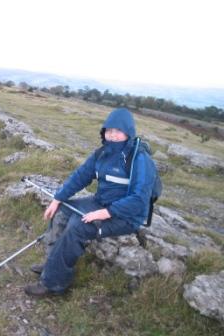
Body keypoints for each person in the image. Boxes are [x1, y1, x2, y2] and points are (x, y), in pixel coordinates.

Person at [24, 107, 157, 297]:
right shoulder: (102, 153)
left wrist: (106, 213)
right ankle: (52, 264)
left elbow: (139, 199)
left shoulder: (140, 159)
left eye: (118, 131)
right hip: (100, 201)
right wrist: (58, 198)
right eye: (109, 130)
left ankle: (53, 284)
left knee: (76, 227)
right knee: (62, 211)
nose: (113, 135)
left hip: (126, 216)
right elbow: (80, 176)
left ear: (128, 132)